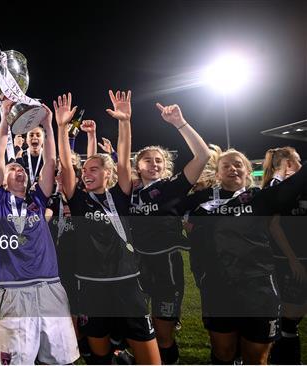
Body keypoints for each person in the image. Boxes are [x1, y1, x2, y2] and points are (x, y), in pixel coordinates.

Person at [56, 91, 161, 364]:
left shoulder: (120, 194)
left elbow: (124, 159)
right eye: (84, 171)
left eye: (93, 169)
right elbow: (66, 165)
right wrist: (62, 127)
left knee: (151, 360)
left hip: (127, 284)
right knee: (99, 358)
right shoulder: (78, 201)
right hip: (91, 287)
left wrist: (124, 122)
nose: (86, 173)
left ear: (108, 173)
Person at [184, 146, 307, 364]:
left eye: (238, 164)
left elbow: (296, 183)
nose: (233, 169)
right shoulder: (200, 204)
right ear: (218, 173)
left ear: (248, 170)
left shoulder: (260, 198)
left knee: (256, 358)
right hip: (217, 289)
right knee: (223, 353)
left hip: (258, 290)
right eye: (226, 166)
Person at [0, 100, 79, 364]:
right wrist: (5, 120)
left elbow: (51, 161)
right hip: (12, 289)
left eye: (22, 170)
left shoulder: (37, 200)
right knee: (17, 361)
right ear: (2, 179)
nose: (18, 171)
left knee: (61, 359)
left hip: (49, 284)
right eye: (12, 168)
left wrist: (49, 125)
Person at [127, 103, 210, 364]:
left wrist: (179, 123)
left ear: (165, 166)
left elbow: (203, 156)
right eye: (147, 160)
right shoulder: (128, 192)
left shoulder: (172, 188)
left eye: (159, 160)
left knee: (163, 336)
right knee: (139, 333)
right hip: (135, 267)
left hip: (166, 270)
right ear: (137, 165)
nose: (154, 164)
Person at [261, 147, 306, 364]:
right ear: (287, 164)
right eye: (296, 161)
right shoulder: (278, 188)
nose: (300, 165)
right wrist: (293, 260)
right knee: (288, 320)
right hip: (288, 261)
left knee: (292, 319)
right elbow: (274, 226)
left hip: (299, 259)